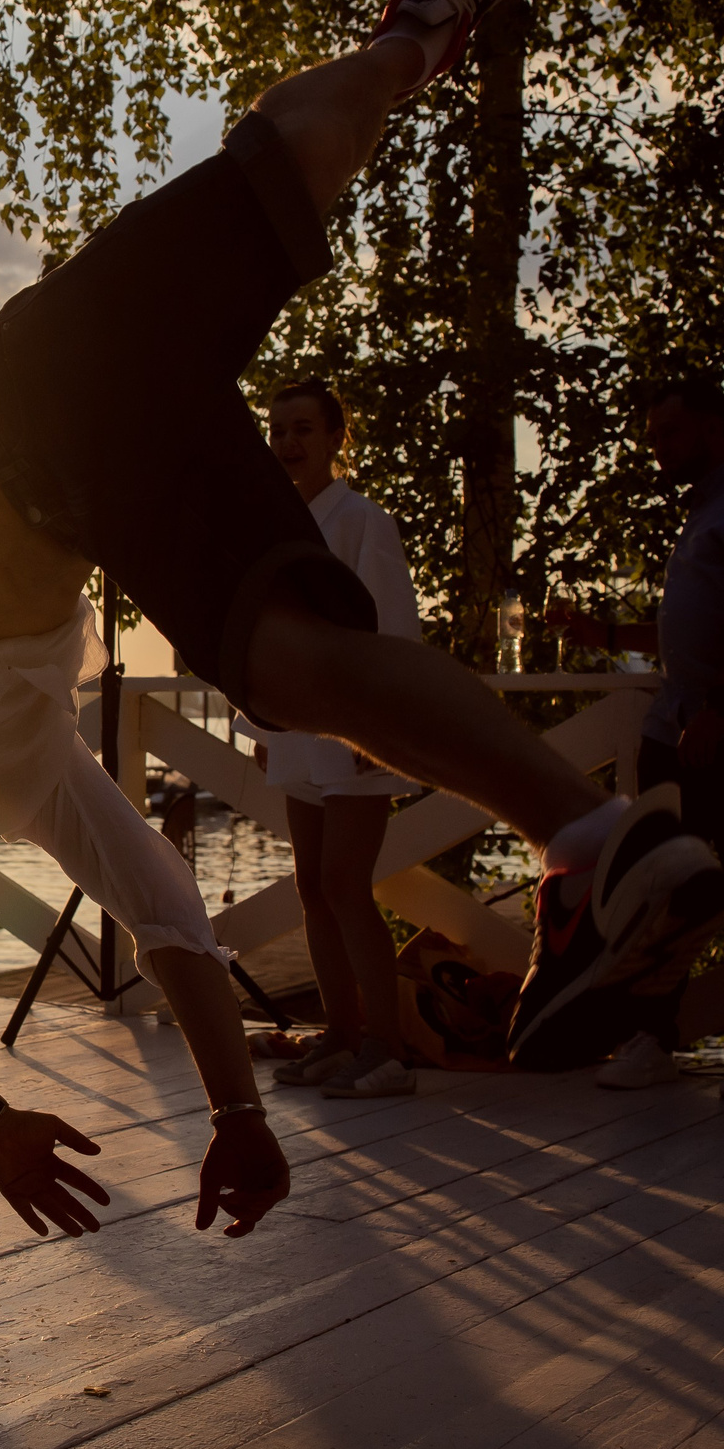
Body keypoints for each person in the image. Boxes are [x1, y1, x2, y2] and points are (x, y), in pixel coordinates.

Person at [0, 0, 724, 1245]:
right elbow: (163, 904)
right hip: (87, 422)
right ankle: (599, 836)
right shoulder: (20, 757)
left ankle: (415, 34)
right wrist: (238, 1115)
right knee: (301, 661)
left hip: (28, 402)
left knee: (293, 660)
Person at [549, 378, 724, 1103]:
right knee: (660, 886)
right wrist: (599, 636)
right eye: (652, 435)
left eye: (668, 433)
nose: (656, 449)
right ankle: (654, 1035)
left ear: (711, 425)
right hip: (674, 724)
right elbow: (690, 627)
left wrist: (719, 707)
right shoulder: (703, 510)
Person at [243, 381, 427, 1099]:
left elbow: (391, 625)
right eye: (277, 430)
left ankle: (386, 1047)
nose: (287, 444)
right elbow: (266, 632)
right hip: (298, 722)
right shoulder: (273, 523)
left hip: (357, 726)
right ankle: (341, 1033)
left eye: (301, 430)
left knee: (349, 884)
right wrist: (262, 724)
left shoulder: (362, 521)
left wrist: (378, 723)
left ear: (334, 439)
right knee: (312, 883)